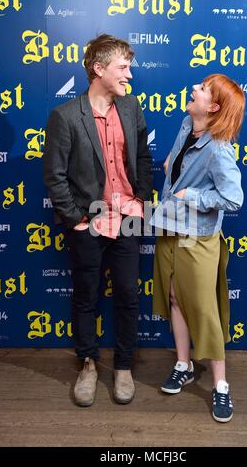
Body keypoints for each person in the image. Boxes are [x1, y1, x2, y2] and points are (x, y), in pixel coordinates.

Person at [43, 34, 153, 407]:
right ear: (99, 69)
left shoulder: (132, 108)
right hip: (88, 223)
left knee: (128, 293)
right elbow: (55, 175)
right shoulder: (65, 116)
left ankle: (123, 365)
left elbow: (142, 161)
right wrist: (74, 218)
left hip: (127, 218)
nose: (130, 76)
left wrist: (140, 200)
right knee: (86, 296)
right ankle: (88, 362)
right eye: (123, 68)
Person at [151, 74, 245, 422]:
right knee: (175, 296)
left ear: (214, 107)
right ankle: (183, 364)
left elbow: (233, 199)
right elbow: (178, 163)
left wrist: (192, 196)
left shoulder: (220, 148)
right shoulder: (186, 123)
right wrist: (171, 171)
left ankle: (220, 386)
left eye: (203, 90)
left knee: (204, 309)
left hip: (198, 237)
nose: (194, 89)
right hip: (169, 228)